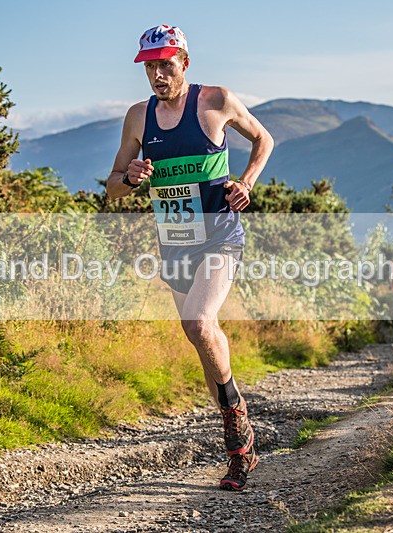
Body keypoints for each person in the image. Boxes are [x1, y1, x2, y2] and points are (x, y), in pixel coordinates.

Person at [106, 24, 273, 491]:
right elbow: (114, 186)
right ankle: (236, 417)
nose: (158, 75)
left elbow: (264, 140)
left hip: (221, 235)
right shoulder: (138, 117)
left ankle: (237, 437)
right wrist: (132, 176)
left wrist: (247, 183)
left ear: (184, 62)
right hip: (175, 241)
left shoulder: (215, 100)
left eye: (166, 64)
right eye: (150, 67)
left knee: (199, 322)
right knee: (201, 336)